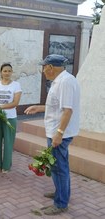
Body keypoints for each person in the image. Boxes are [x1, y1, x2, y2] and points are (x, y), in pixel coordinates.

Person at [24, 54, 80, 215]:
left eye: (44, 67)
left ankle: (61, 203)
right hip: (56, 131)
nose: (43, 71)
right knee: (59, 166)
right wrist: (39, 108)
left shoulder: (65, 82)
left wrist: (59, 134)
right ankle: (60, 193)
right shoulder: (61, 81)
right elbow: (57, 106)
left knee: (59, 167)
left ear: (50, 67)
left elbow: (68, 110)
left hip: (59, 133)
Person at [0, 63, 22, 173]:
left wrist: (1, 107)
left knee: (8, 141)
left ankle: (6, 166)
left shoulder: (16, 85)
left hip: (10, 117)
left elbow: (15, 103)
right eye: (5, 71)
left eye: (9, 71)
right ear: (1, 72)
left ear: (12, 72)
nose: (7, 73)